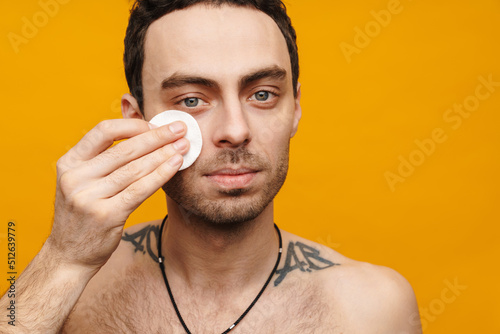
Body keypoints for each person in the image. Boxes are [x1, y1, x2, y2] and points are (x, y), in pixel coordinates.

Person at [0, 0, 422, 333]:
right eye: (191, 100)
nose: (235, 131)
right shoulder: (74, 288)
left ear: (295, 107)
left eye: (261, 94)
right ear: (138, 121)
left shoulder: (375, 308)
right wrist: (62, 260)